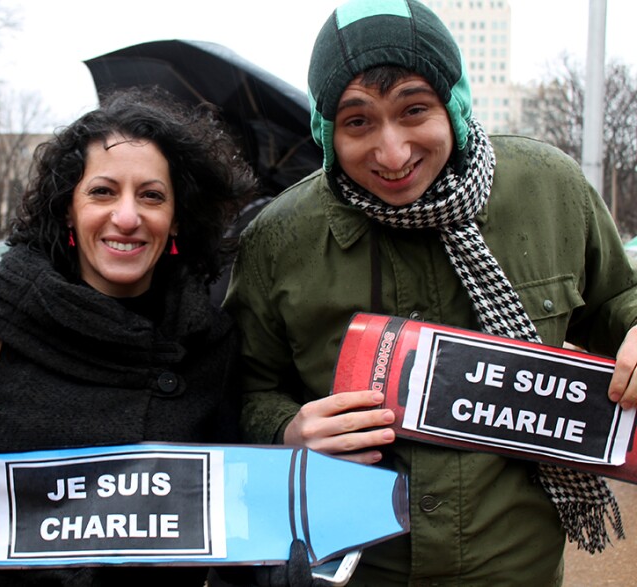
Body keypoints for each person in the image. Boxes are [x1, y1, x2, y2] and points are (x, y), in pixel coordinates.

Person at [224, 0, 637, 584]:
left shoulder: (552, 191)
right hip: (357, 566)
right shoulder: (279, 239)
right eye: (358, 122)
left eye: (415, 109)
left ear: (455, 102)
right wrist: (288, 430)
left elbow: (619, 303)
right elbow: (244, 384)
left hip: (515, 568)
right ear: (327, 130)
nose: (392, 154)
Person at [0, 88, 257, 586]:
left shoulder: (211, 340)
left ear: (176, 220)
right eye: (103, 192)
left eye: (151, 195)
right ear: (68, 209)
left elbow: (236, 509)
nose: (126, 217)